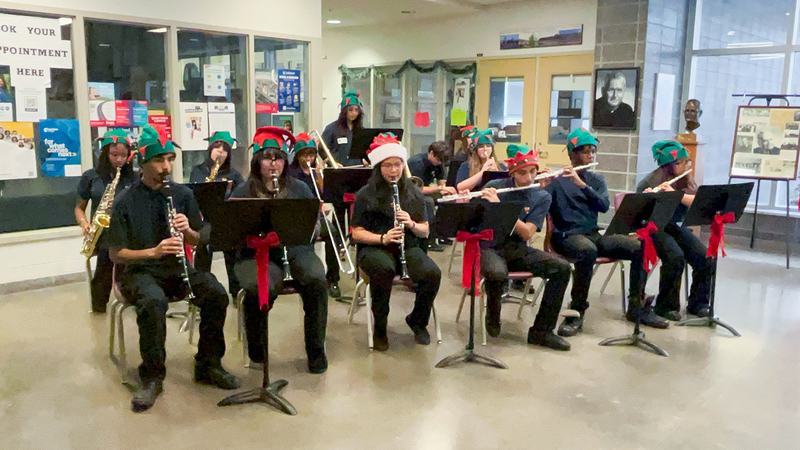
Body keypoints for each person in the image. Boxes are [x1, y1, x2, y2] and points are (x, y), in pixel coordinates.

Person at [108, 125, 239, 413]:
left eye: (170, 159)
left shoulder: (182, 194)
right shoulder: (125, 201)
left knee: (216, 293)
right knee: (153, 301)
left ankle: (208, 364)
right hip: (139, 271)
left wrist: (188, 231)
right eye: (159, 160)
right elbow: (116, 254)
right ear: (142, 163)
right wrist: (152, 251)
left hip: (177, 269)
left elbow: (198, 238)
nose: (166, 167)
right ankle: (152, 375)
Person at [547, 128, 668, 337]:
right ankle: (576, 311)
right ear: (571, 154)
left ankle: (636, 306)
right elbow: (540, 204)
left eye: (593, 151)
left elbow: (603, 206)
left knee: (638, 247)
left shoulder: (596, 181)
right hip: (565, 236)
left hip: (592, 235)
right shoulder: (556, 181)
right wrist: (541, 187)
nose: (590, 156)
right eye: (584, 151)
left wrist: (582, 185)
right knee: (587, 250)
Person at [231, 126, 329, 374]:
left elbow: (313, 227)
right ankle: (257, 350)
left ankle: (316, 351)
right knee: (258, 287)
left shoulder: (299, 188)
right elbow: (231, 231)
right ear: (257, 161)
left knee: (317, 280)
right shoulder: (243, 191)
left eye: (279, 159)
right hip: (256, 253)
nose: (273, 165)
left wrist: (310, 224)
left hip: (295, 249)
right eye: (267, 158)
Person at [351, 133, 441, 351]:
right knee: (383, 270)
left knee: (432, 274)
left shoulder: (414, 193)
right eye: (387, 165)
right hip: (374, 248)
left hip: (408, 247)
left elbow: (425, 230)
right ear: (378, 167)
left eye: (398, 165)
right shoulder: (365, 194)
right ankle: (380, 326)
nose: (393, 171)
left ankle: (418, 320)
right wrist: (382, 237)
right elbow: (356, 232)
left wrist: (410, 223)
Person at [479, 144, 572, 351]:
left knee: (562, 268)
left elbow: (528, 233)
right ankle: (492, 312)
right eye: (522, 173)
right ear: (512, 172)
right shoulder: (496, 185)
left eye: (533, 172)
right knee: (496, 273)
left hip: (518, 248)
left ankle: (542, 331)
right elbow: (475, 219)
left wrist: (501, 209)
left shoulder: (541, 196)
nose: (528, 178)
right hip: (491, 246)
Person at [637, 140, 711, 320]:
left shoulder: (685, 182)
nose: (687, 166)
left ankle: (698, 303)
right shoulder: (649, 181)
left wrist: (675, 195)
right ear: (672, 165)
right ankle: (665, 306)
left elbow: (696, 205)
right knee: (675, 256)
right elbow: (637, 214)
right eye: (684, 162)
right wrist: (648, 199)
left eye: (687, 162)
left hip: (673, 226)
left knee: (705, 256)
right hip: (653, 228)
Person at [75, 130, 138, 313]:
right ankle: (99, 307)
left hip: (127, 233)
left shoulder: (134, 178)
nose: (119, 159)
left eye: (123, 156)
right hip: (102, 234)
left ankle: (132, 299)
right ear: (104, 153)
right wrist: (84, 223)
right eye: (114, 154)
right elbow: (79, 207)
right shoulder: (90, 176)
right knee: (104, 266)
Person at [287, 132, 343, 299]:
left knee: (333, 234)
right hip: (296, 218)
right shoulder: (290, 173)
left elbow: (325, 195)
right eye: (304, 154)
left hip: (316, 217)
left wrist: (320, 175)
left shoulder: (317, 171)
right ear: (297, 156)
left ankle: (333, 279)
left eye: (311, 154)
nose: (309, 158)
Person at [189, 131, 245, 296]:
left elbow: (241, 197)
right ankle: (202, 289)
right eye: (216, 147)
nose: (220, 152)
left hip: (226, 220)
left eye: (224, 149)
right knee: (203, 243)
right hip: (204, 220)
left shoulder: (234, 174)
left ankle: (237, 292)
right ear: (210, 149)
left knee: (233, 246)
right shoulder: (197, 170)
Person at [407, 141, 456, 251]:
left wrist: (445, 190)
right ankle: (430, 240)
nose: (439, 163)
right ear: (431, 154)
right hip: (412, 193)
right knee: (428, 202)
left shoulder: (438, 163)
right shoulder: (417, 163)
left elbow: (441, 180)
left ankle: (443, 234)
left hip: (426, 190)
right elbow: (416, 189)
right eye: (438, 160)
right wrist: (439, 188)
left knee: (449, 199)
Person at [322, 90, 365, 167]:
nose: (354, 113)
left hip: (357, 170)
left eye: (357, 110)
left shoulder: (361, 130)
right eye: (350, 109)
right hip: (338, 171)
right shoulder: (331, 128)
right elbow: (322, 149)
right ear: (344, 110)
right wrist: (332, 163)